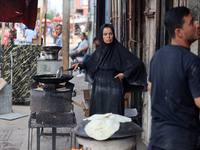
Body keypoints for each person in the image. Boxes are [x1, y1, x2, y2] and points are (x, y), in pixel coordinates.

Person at [147, 7, 200, 150]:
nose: (197, 25)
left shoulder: (157, 56)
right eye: (192, 22)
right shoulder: (191, 61)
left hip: (157, 139)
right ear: (179, 32)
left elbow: (151, 88)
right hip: (181, 141)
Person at [72, 24, 147, 116]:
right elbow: (90, 63)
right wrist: (80, 64)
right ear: (101, 36)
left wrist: (125, 74)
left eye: (110, 34)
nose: (108, 36)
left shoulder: (119, 49)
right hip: (98, 89)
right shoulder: (100, 51)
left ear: (113, 35)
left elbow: (137, 63)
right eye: (105, 34)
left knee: (114, 118)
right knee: (98, 118)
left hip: (114, 90)